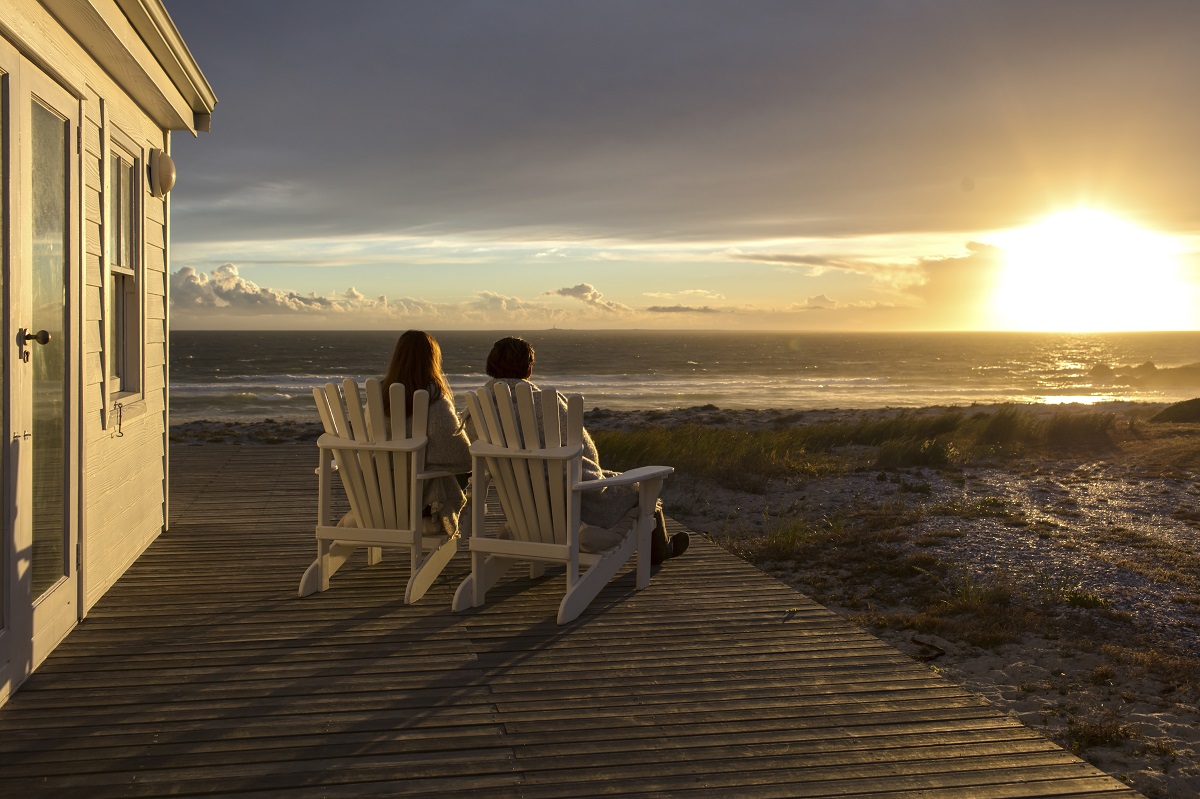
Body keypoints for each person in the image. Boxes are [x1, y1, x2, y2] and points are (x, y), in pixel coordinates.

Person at [479, 336, 688, 564]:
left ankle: (661, 547)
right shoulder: (546, 403)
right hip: (577, 505)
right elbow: (586, 455)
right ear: (528, 370)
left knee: (619, 480)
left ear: (491, 366)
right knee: (641, 488)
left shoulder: (480, 409)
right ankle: (661, 551)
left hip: (522, 509)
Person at [356, 330, 471, 534]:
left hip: (379, 496)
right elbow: (459, 453)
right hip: (421, 501)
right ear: (432, 360)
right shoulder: (434, 396)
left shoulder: (378, 395)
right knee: (465, 472)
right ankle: (432, 521)